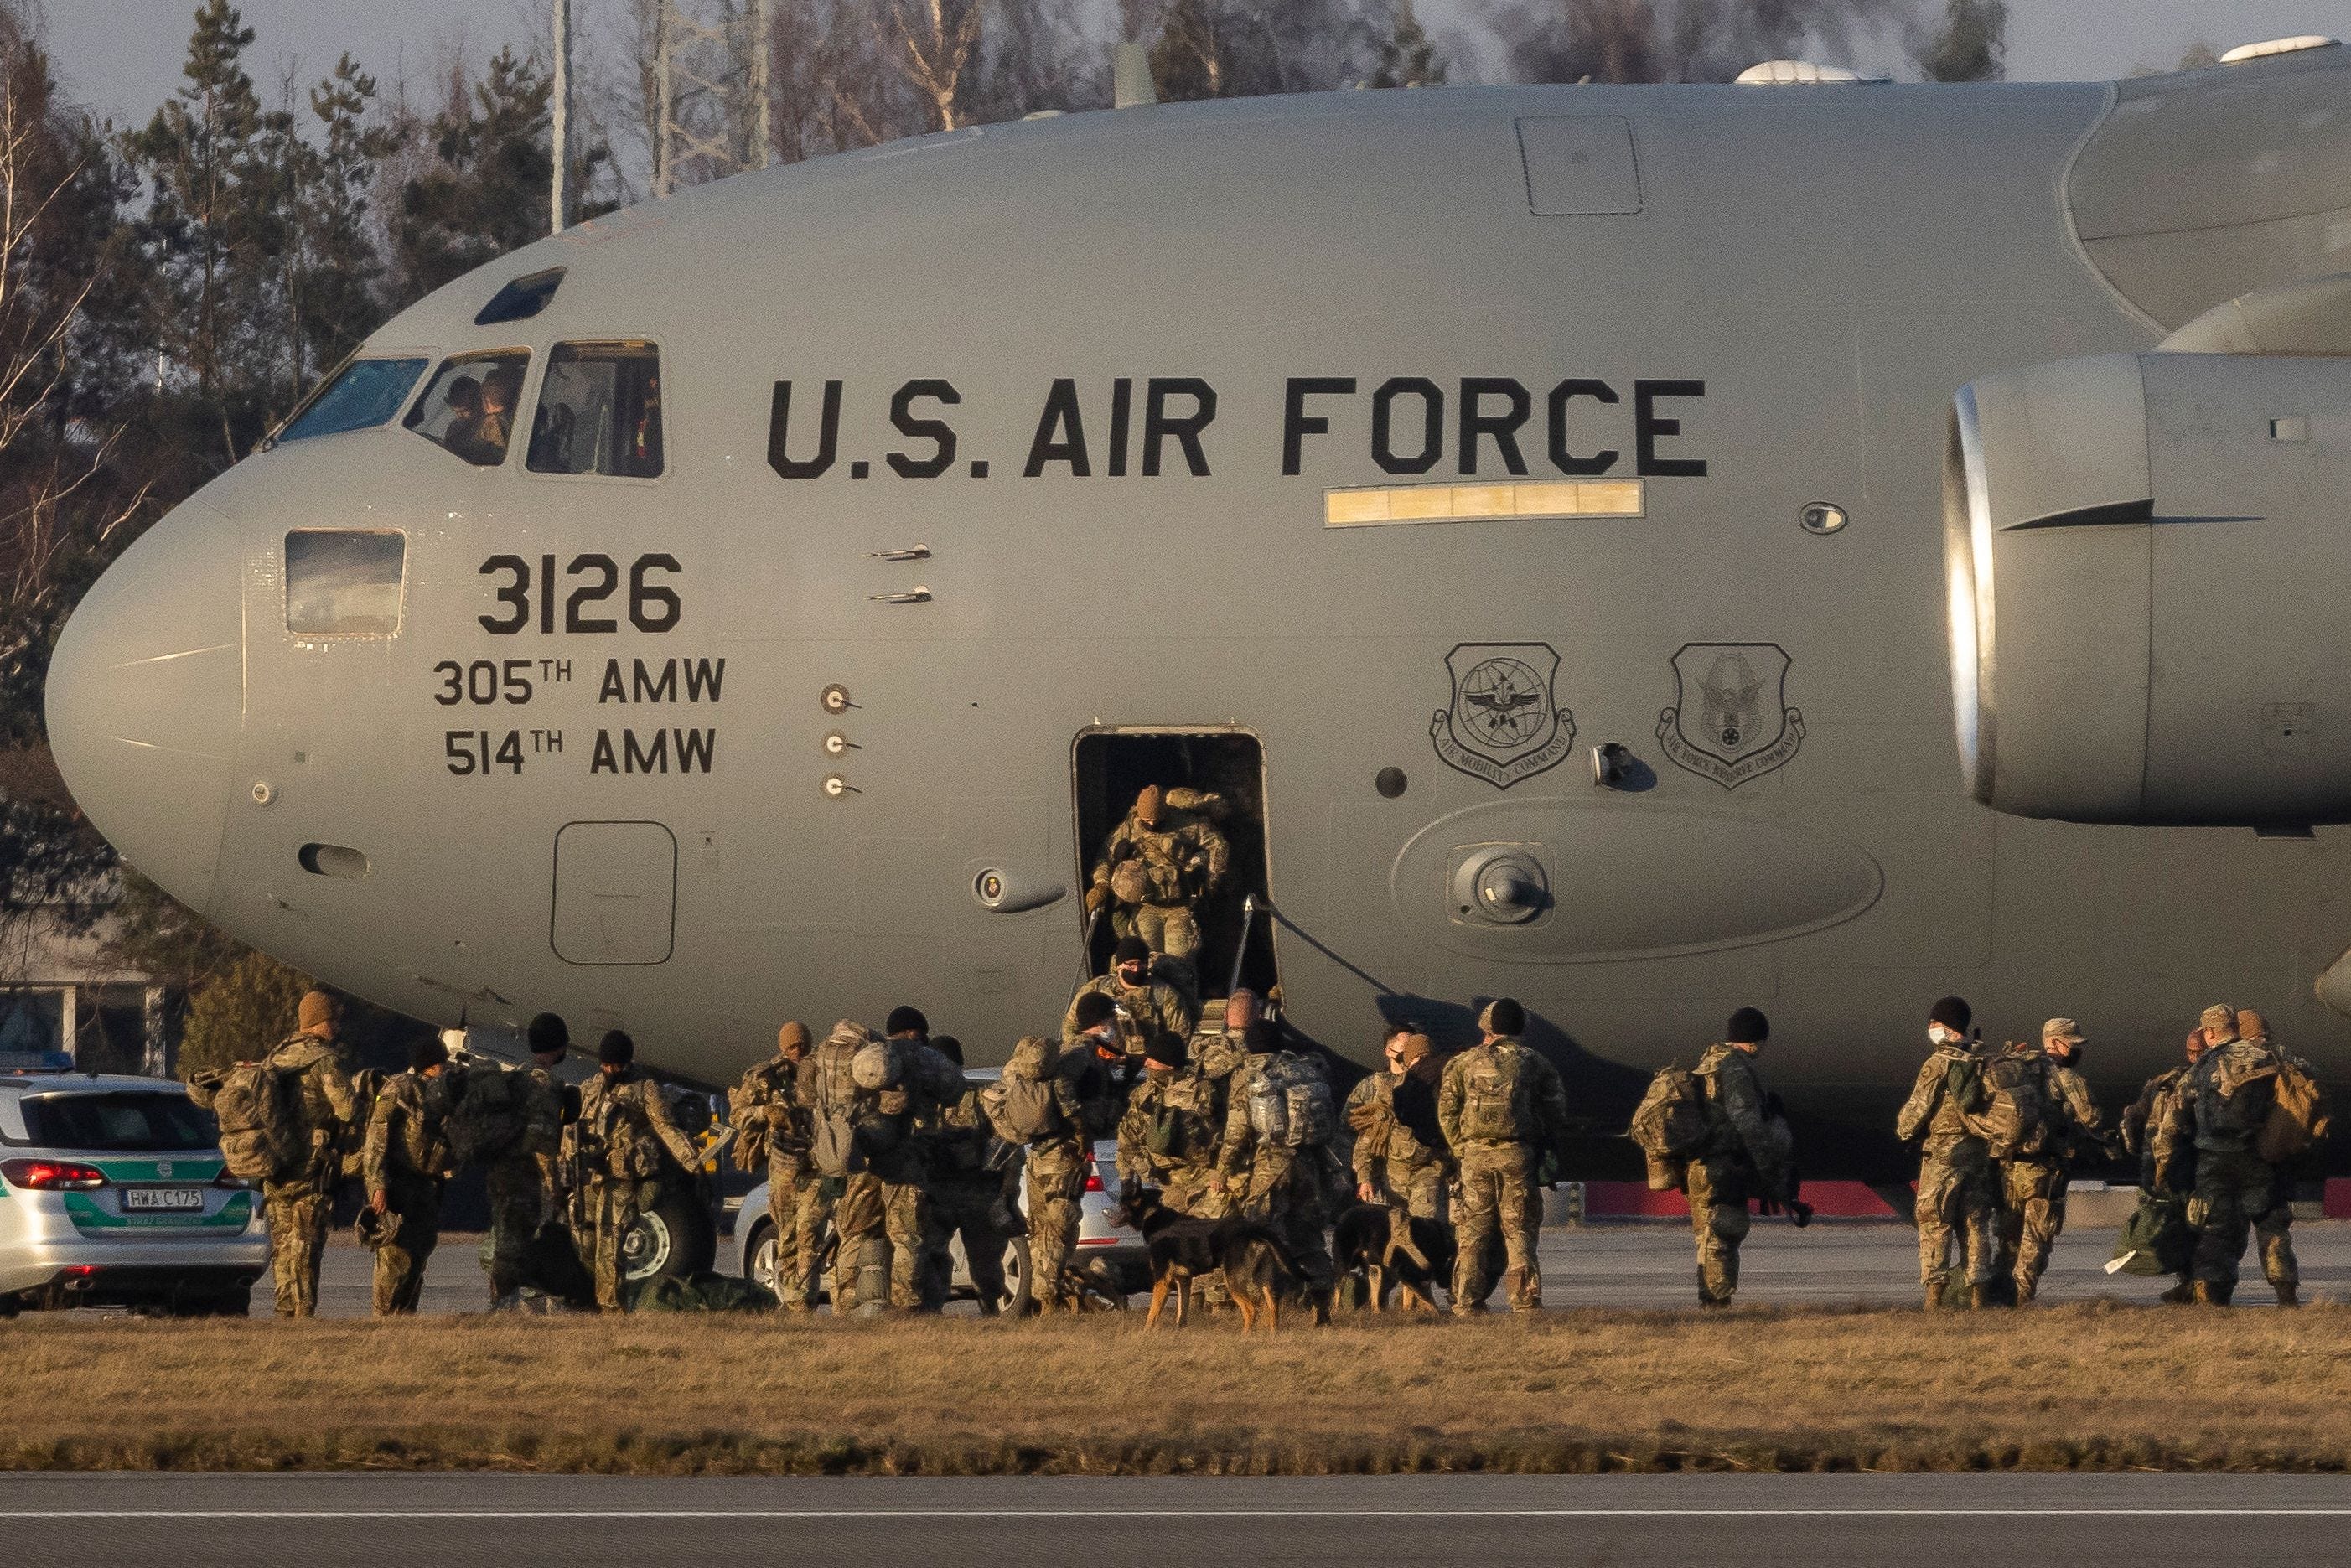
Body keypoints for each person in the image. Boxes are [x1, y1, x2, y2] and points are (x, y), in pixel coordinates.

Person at [1437, 999, 1567, 1314]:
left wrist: (1461, 1148)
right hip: (1517, 1154)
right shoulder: (1534, 1062)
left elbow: (1446, 1111)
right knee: (1519, 1231)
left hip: (1475, 1156)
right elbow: (1556, 1111)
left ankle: (1466, 1302)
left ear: (1486, 1027)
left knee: (1472, 1233)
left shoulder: (1462, 1063)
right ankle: (1524, 1302)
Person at [1210, 1015, 1339, 1319]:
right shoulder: (1304, 1070)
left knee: (1263, 1234)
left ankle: (1272, 1305)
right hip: (1308, 1163)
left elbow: (1237, 1129)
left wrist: (1222, 1170)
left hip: (1270, 1165)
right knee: (1308, 1234)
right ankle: (1321, 1302)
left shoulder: (1249, 1074)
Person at [2172, 1003, 2299, 1306]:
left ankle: (2211, 1296)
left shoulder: (2202, 1066)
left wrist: (2167, 1163)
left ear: (2210, 1032)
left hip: (2212, 1161)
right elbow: (2305, 1084)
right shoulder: (2268, 1056)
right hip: (2256, 1158)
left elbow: (2175, 1117)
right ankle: (2285, 1291)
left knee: (2215, 1229)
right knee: (2271, 1224)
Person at [571, 1030, 702, 1312]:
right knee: (585, 1238)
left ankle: (609, 1307)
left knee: (610, 1241)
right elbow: (573, 1129)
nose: (609, 1071)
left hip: (621, 1176)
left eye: (615, 1066)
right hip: (589, 1176)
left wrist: (693, 1164)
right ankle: (584, 1302)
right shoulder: (590, 1088)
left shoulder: (644, 1089)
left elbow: (667, 1129)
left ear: (626, 1063)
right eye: (605, 1065)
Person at [257, 991, 360, 1320]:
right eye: (333, 1020)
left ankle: (284, 1313)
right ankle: (303, 1319)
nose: (336, 1027)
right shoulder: (322, 1060)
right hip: (310, 1171)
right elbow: (347, 1110)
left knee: (284, 1249)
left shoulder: (276, 1057)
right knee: (305, 1248)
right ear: (320, 1022)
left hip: (275, 1167)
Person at [1684, 1007, 1794, 1308]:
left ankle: (1710, 1300)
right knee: (1724, 1233)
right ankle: (1718, 1304)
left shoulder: (1708, 1062)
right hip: (1724, 1164)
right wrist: (1765, 1162)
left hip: (1698, 1165)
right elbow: (1745, 1118)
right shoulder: (1735, 1068)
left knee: (1706, 1237)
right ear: (1754, 1040)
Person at [1989, 1017, 2103, 1306]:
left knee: (2009, 1238)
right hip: (2044, 1170)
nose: (2076, 1050)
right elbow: (2091, 1117)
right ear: (2054, 1042)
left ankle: (1998, 1297)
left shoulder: (2021, 1069)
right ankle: (2021, 1300)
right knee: (2035, 1240)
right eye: (2072, 1044)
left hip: (2011, 1167)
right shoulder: (2067, 1077)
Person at [1895, 996, 1996, 1310]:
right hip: (1978, 1154)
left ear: (1947, 1026)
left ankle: (1934, 1299)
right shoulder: (1981, 1061)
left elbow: (1916, 1109)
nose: (1931, 1028)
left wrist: (1903, 1132)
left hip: (1943, 1155)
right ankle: (1979, 1296)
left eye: (1935, 1023)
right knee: (1975, 1223)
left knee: (1935, 1221)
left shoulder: (1938, 1063)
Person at [982, 1032, 1091, 1314]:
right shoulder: (1060, 1082)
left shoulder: (1017, 1077)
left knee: (1039, 1228)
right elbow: (1074, 1114)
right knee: (1057, 1230)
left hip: (1035, 1160)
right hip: (1060, 1159)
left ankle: (1042, 1296)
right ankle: (1048, 1299)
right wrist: (1084, 1139)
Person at [918, 1035, 1012, 1313]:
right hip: (948, 1194)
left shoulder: (976, 1097)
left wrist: (1003, 1187)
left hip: (969, 1193)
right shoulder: (927, 1100)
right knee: (937, 1257)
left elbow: (1004, 1143)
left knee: (984, 1262)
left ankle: (989, 1307)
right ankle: (937, 1310)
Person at [1084, 784, 1230, 959]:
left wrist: (1211, 881)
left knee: (1180, 956)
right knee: (1144, 954)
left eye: (1157, 819)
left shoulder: (1186, 823)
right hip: (1147, 905)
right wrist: (1101, 885)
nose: (1152, 823)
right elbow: (1106, 857)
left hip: (1180, 905)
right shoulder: (1130, 827)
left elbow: (1219, 845)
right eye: (1147, 820)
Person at [363, 1037, 454, 1316]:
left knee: (419, 1256)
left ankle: (404, 1319)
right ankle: (384, 1321)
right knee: (395, 1259)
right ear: (429, 1064)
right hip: (399, 1187)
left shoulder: (441, 1092)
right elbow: (375, 1143)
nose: (446, 1066)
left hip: (426, 1188)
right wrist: (378, 1187)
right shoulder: (399, 1090)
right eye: (441, 1061)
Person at [484, 1012, 570, 1304]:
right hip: (527, 1178)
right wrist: (554, 1186)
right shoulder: (543, 1083)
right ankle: (510, 1305)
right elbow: (542, 1141)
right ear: (559, 1047)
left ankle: (501, 1303)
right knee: (527, 1246)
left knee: (505, 1244)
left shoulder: (515, 1076)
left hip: (502, 1172)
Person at [735, 1021, 818, 1310]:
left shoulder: (819, 1072)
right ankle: (794, 1300)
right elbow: (738, 1115)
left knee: (810, 1233)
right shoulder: (766, 1077)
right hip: (783, 1168)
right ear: (784, 1048)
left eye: (803, 1046)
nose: (798, 1051)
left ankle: (802, 1299)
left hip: (816, 1165)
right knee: (788, 1233)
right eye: (793, 1046)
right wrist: (765, 1112)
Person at [2126, 1025, 2210, 1303]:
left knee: (2174, 1226)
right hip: (2188, 1166)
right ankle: (2196, 1286)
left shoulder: (2160, 1082)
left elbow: (2133, 1120)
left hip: (2157, 1168)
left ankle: (2187, 1285)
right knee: (2196, 1228)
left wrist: (2137, 1154)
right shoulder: (2203, 1083)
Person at [1345, 1024, 1451, 1224]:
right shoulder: (1386, 1088)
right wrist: (1365, 1176)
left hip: (1429, 1173)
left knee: (1424, 1232)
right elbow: (1370, 1135)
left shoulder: (1443, 1087)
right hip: (1391, 1179)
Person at [1116, 1030, 1224, 1218]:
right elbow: (1126, 1137)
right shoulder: (1144, 1093)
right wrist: (1127, 1183)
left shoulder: (1201, 1091)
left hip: (1201, 1183)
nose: (1146, 1063)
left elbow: (1225, 1134)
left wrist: (1220, 1173)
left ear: (1169, 1064)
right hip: (1162, 1183)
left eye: (1153, 1059)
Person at [1064, 935, 1198, 1064]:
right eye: (1131, 964)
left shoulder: (1164, 993)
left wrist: (1161, 1061)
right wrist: (1085, 1052)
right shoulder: (1096, 988)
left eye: (1141, 964)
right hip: (1104, 1062)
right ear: (1118, 965)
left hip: (1147, 1065)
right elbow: (1071, 1025)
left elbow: (1180, 1032)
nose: (1137, 969)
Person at [475, 365, 522, 462]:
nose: (486, 391)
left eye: (493, 385)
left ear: (506, 389)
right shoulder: (476, 424)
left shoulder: (494, 422)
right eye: (484, 386)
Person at [438, 375, 484, 459]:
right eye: (456, 412)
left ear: (479, 404)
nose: (459, 416)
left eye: (464, 411)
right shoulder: (455, 427)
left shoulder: (494, 425)